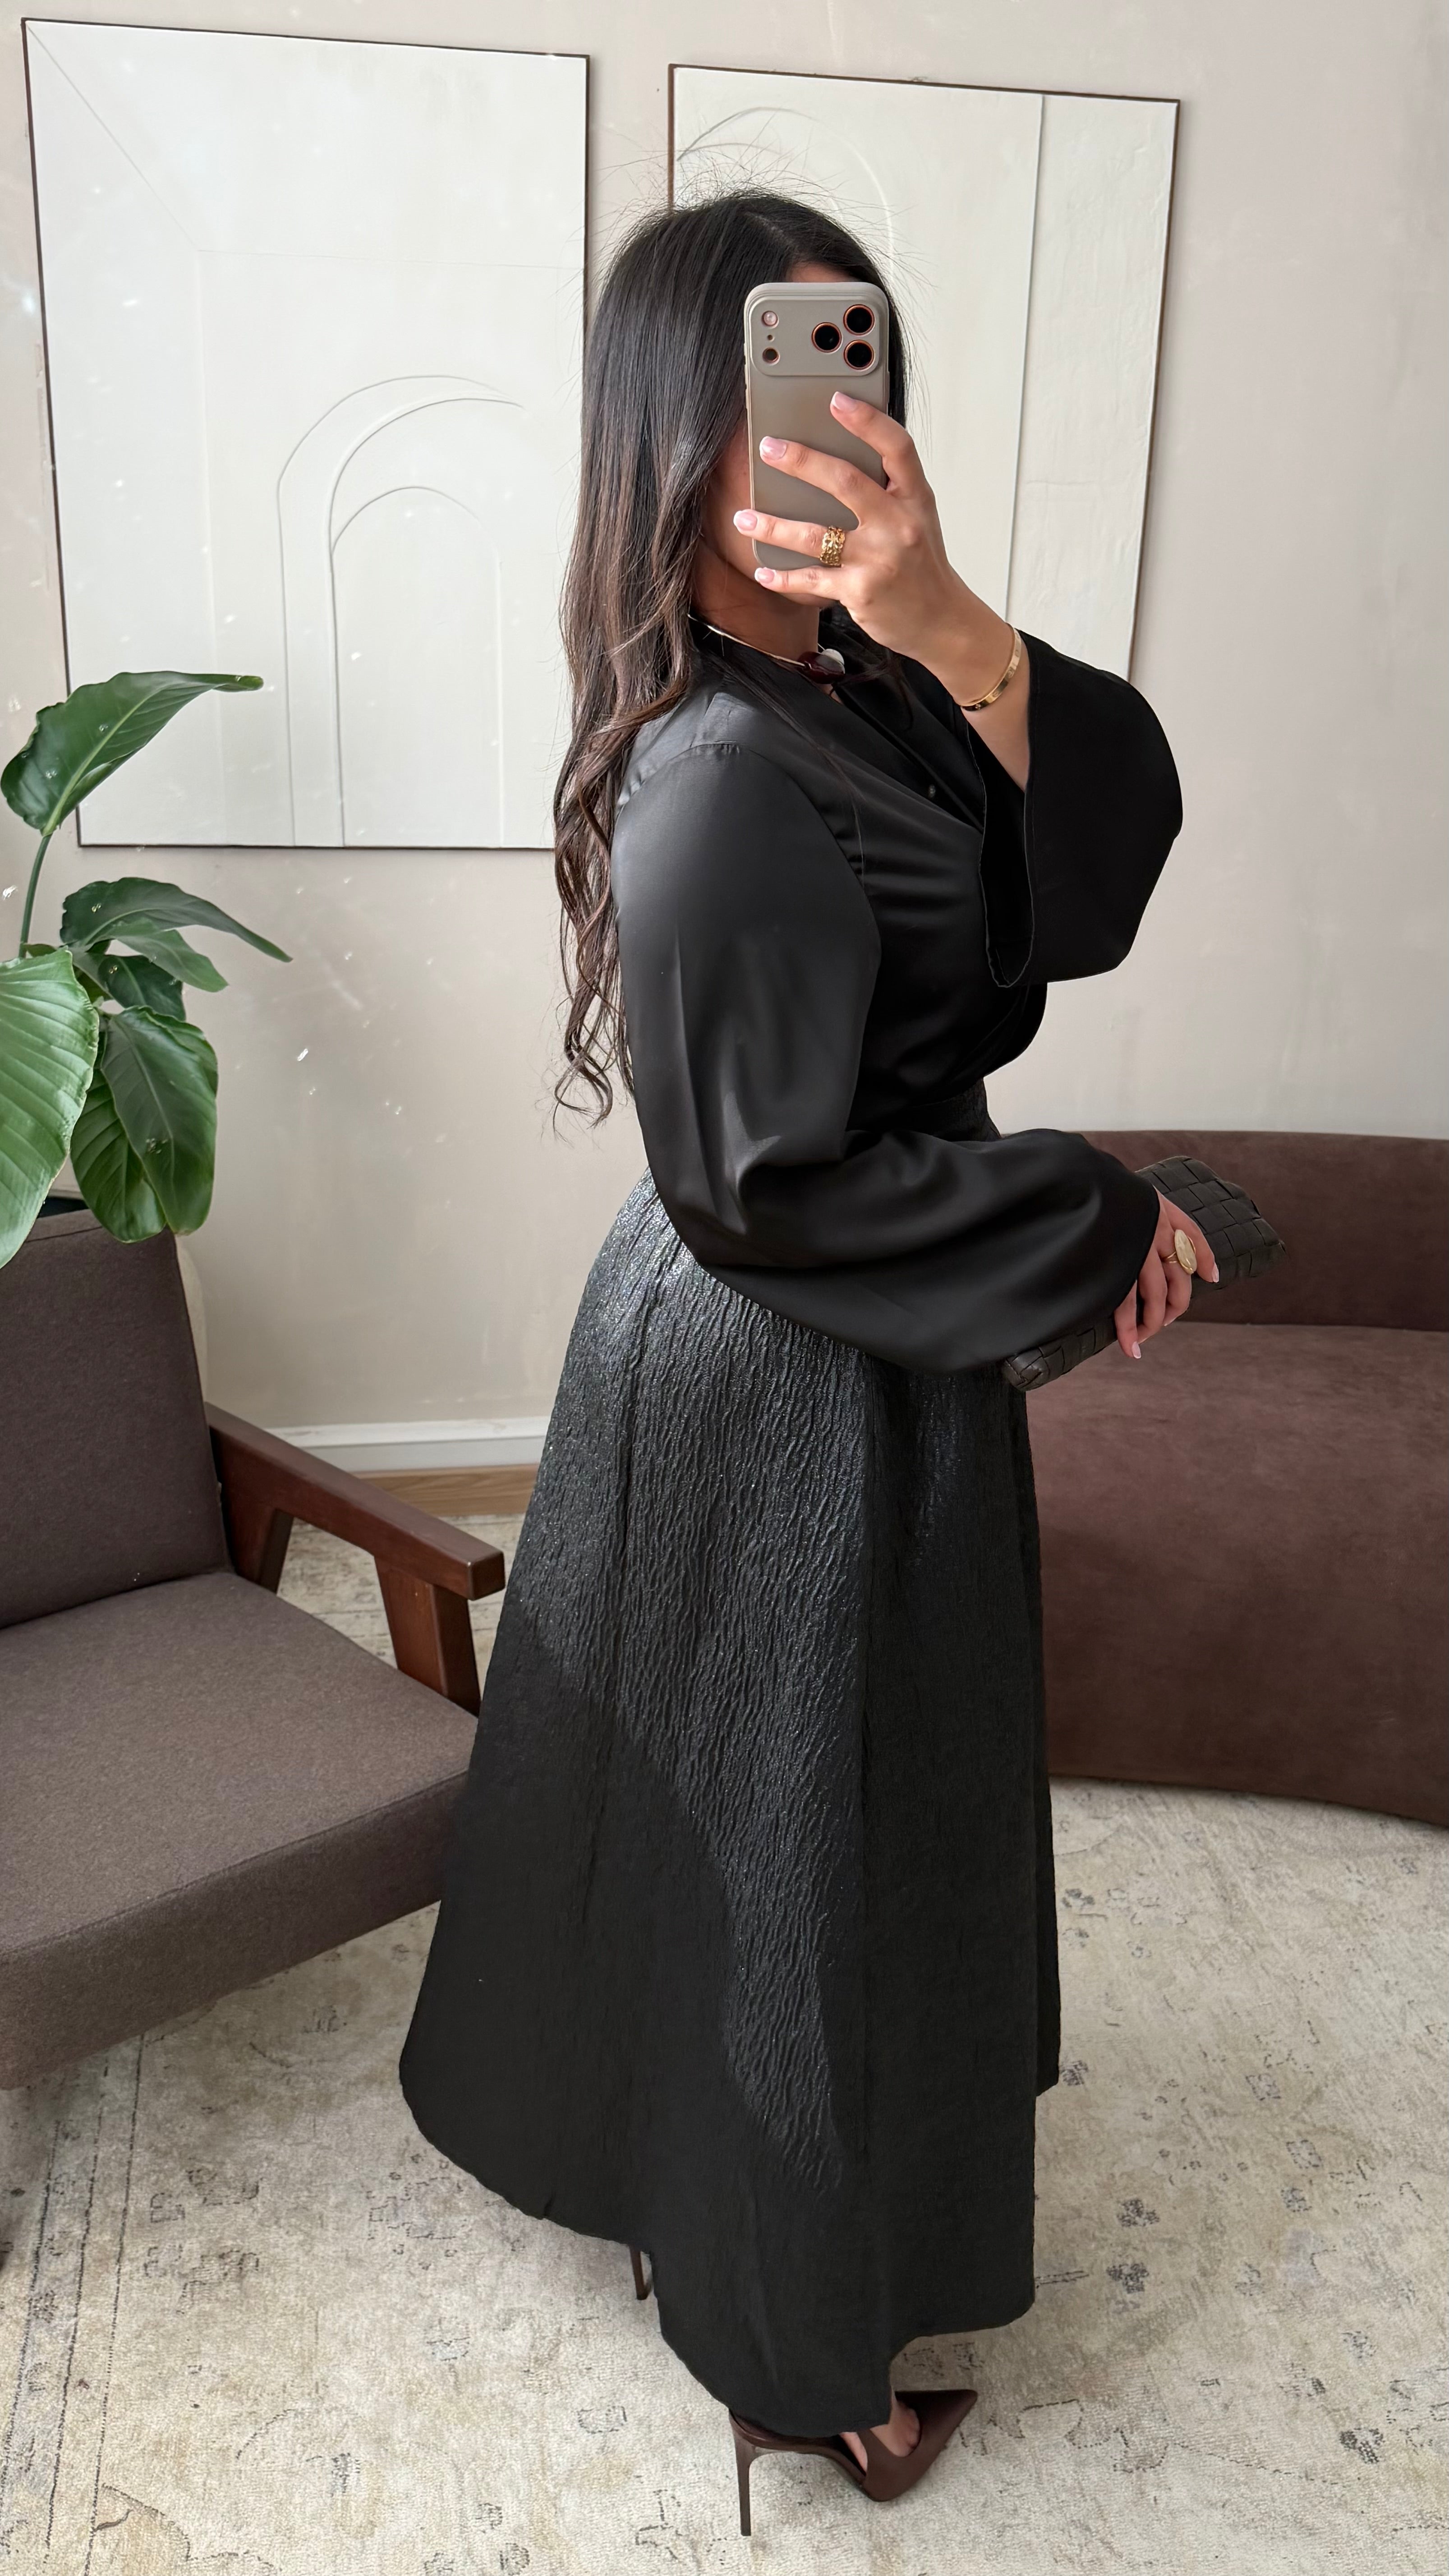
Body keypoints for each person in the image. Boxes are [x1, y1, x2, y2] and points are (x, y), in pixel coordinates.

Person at [398, 191, 1211, 2530]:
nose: (832, 435)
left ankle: (725, 2216)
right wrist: (1096, 1217)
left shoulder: (868, 683)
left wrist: (946, 617)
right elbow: (768, 1180)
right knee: (800, 1857)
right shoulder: (718, 767)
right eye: (780, 391)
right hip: (780, 1364)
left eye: (861, 385)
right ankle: (793, 2355)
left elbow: (1091, 881)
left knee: (808, 1831)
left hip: (851, 1342)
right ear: (679, 432)